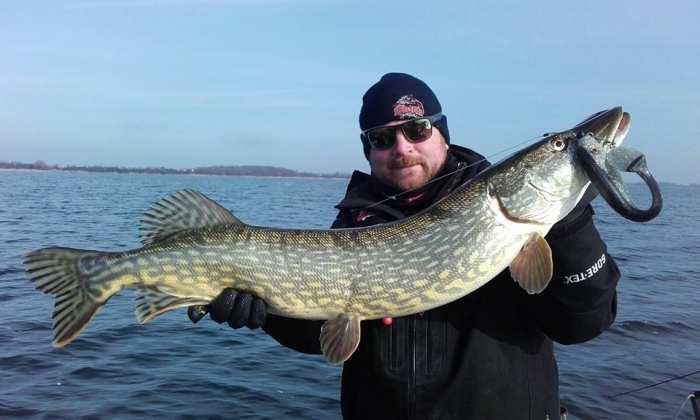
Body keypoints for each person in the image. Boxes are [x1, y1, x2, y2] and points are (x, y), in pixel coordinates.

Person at [188, 73, 620, 420]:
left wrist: (568, 223)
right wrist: (266, 314)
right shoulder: (351, 226)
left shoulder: (517, 223)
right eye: (382, 138)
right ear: (369, 152)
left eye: (417, 129)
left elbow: (583, 324)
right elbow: (320, 335)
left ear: (442, 135)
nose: (402, 148)